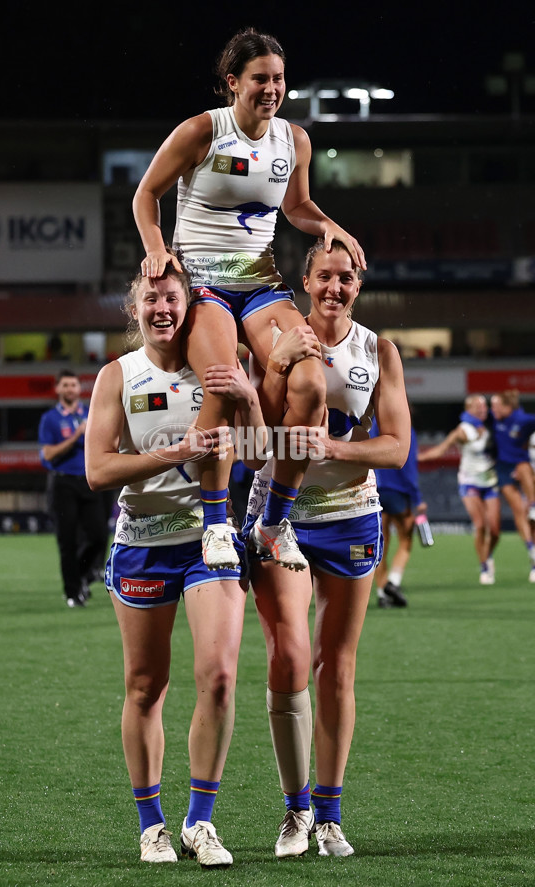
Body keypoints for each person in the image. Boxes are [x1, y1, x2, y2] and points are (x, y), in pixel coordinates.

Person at [133, 27, 365, 574]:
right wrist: (156, 251)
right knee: (219, 383)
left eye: (279, 79)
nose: (271, 88)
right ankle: (215, 524)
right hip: (206, 285)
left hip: (260, 283)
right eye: (260, 78)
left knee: (312, 382)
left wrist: (332, 227)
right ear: (233, 83)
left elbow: (298, 205)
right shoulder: (200, 132)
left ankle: (271, 523)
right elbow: (146, 194)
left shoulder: (294, 141)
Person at [84, 260, 263, 866]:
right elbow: (97, 470)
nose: (162, 308)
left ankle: (200, 822)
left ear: (190, 305)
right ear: (134, 309)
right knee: (145, 686)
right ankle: (151, 824)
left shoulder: (217, 369)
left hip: (207, 541)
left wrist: (250, 400)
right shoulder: (118, 376)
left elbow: (262, 457)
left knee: (219, 676)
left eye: (172, 298)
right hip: (142, 542)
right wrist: (176, 453)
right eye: (151, 299)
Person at [242, 239, 410, 858]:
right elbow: (255, 443)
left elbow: (395, 447)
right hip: (279, 517)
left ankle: (331, 816)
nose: (334, 288)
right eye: (324, 277)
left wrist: (335, 451)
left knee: (334, 666)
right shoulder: (276, 336)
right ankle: (296, 811)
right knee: (288, 659)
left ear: (357, 285)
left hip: (349, 516)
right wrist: (276, 368)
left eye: (345, 278)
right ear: (305, 281)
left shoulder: (378, 351)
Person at [38, 369, 108, 607]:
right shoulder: (50, 419)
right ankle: (72, 593)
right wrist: (77, 436)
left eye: (74, 385)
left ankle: (82, 577)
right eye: (65, 385)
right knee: (67, 541)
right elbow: (47, 454)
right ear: (57, 389)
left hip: (89, 482)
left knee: (98, 537)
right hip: (62, 483)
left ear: (80, 389)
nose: (70, 389)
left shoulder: (90, 414)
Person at [418, 394, 500, 584]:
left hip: (490, 481)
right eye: (479, 407)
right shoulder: (463, 430)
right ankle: (484, 567)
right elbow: (440, 450)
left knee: (495, 530)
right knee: (480, 525)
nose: (484, 410)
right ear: (469, 408)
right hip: (469, 481)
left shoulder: (489, 427)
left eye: (485, 407)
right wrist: (416, 459)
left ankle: (488, 555)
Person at [372, 420, 428, 607]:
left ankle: (381, 593)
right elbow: (408, 465)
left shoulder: (369, 424)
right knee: (406, 540)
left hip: (374, 489)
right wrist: (417, 499)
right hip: (397, 492)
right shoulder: (403, 426)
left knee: (381, 545)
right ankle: (394, 583)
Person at [490, 389, 535, 582]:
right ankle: (532, 553)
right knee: (518, 512)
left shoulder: (523, 419)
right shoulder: (496, 420)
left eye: (496, 406)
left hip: (521, 464)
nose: (493, 410)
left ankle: (533, 505)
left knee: (530, 517)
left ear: (508, 407)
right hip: (503, 468)